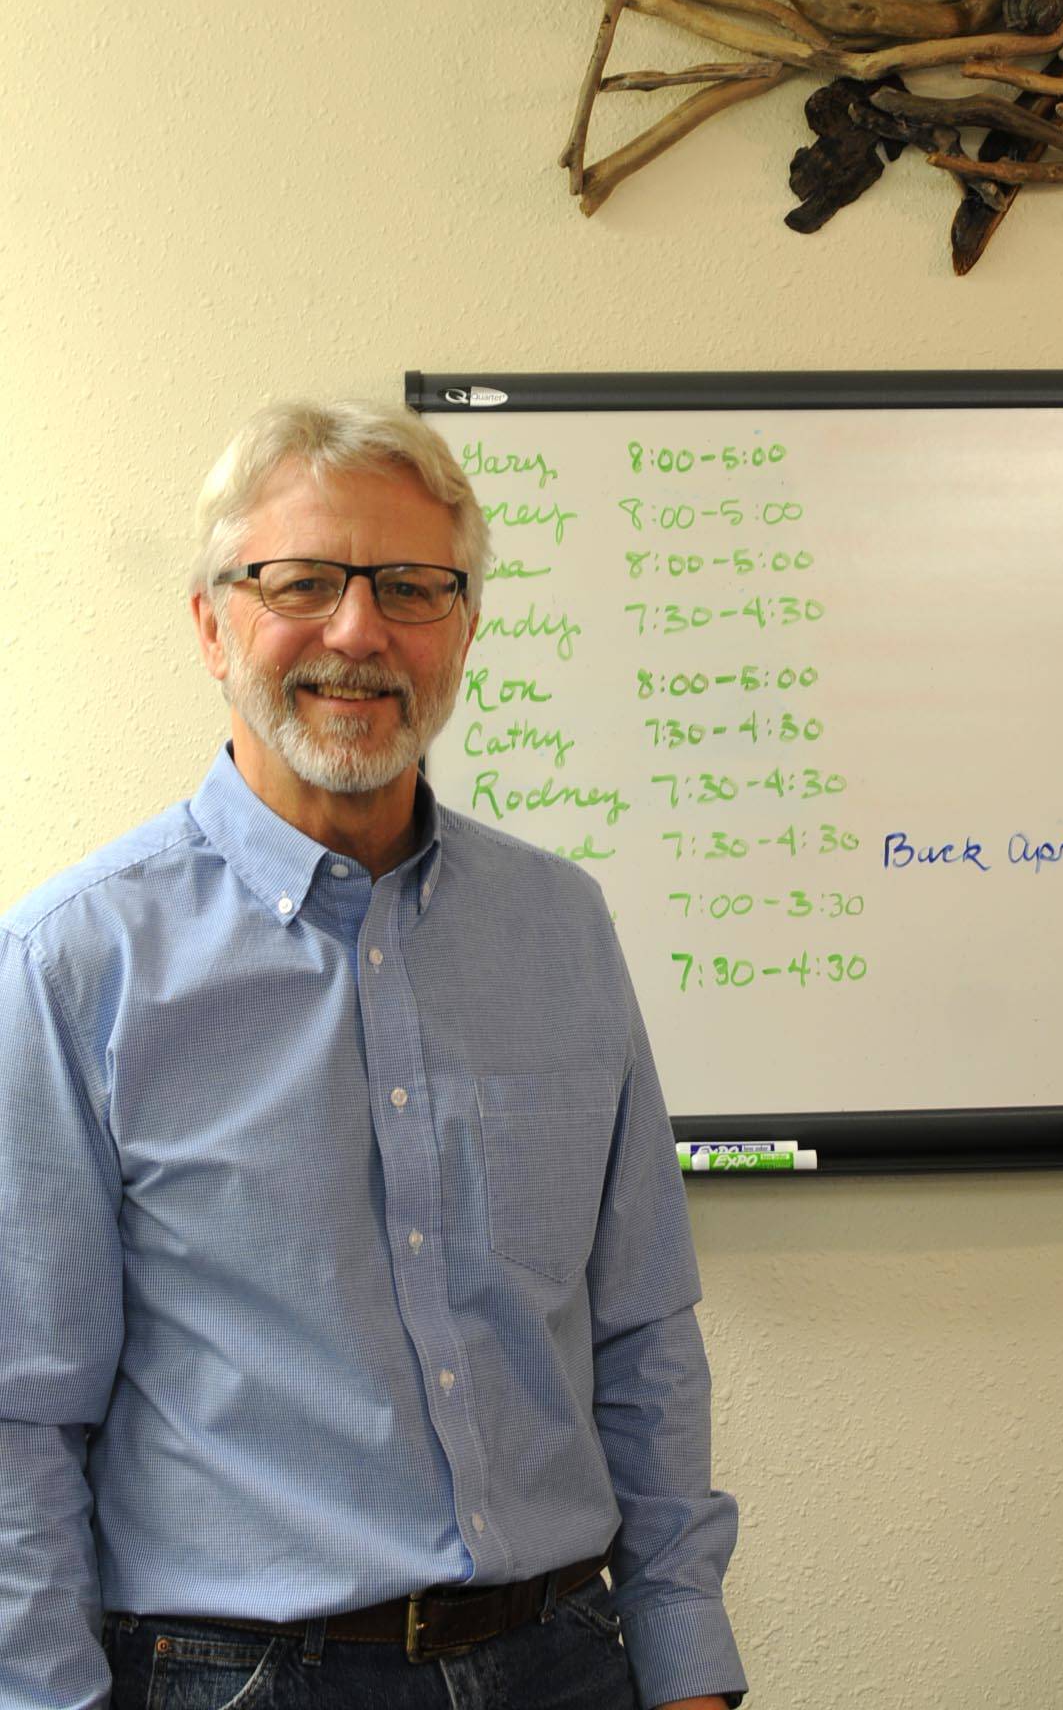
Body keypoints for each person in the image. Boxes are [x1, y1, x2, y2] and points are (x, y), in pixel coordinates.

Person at [0, 400, 745, 1710]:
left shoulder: (560, 927)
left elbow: (641, 1331)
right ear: (211, 621)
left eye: (411, 587)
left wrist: (685, 1655)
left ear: (462, 627)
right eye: (302, 584)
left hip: (564, 1657)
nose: (359, 631)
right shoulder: (73, 963)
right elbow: (20, 1413)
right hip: (234, 1677)